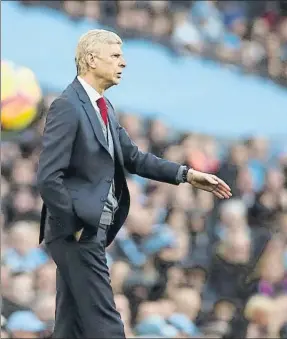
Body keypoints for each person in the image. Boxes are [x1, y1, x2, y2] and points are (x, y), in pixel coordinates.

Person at [36, 29, 232, 338]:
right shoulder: (68, 106)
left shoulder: (104, 108)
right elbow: (49, 176)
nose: (123, 63)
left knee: (70, 327)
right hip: (78, 233)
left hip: (87, 233)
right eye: (115, 56)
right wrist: (75, 224)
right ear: (91, 59)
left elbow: (134, 158)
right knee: (107, 325)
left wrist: (187, 174)